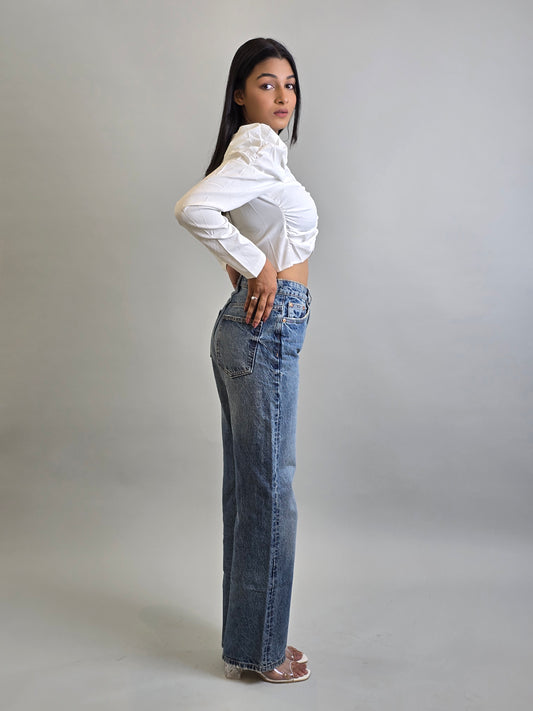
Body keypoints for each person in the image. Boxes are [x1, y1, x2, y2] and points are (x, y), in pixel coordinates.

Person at [174, 37, 318, 683]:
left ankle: (248, 643)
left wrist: (243, 262)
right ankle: (261, 651)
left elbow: (231, 219)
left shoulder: (262, 152)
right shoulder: (257, 145)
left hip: (252, 328)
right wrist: (257, 266)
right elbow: (193, 207)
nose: (283, 95)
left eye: (290, 84)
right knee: (268, 491)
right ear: (239, 94)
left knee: (249, 489)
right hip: (265, 329)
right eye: (266, 83)